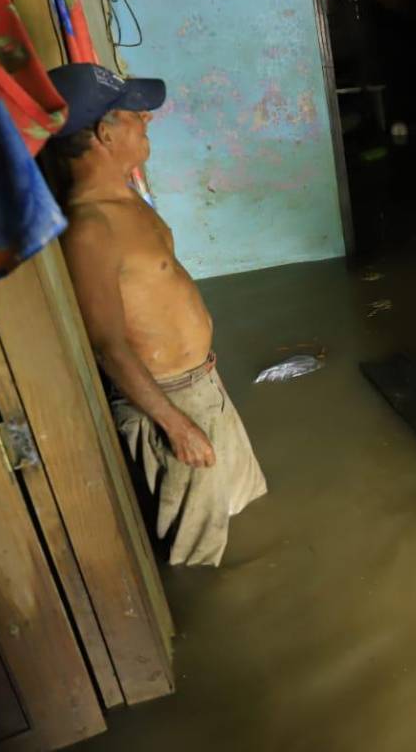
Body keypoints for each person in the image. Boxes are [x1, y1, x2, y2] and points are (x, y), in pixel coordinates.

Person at [44, 62, 266, 567]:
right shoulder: (90, 227)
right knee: (197, 554)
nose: (147, 120)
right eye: (135, 114)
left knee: (235, 511)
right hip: (169, 403)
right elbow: (107, 345)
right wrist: (175, 426)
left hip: (202, 385)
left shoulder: (125, 198)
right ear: (104, 133)